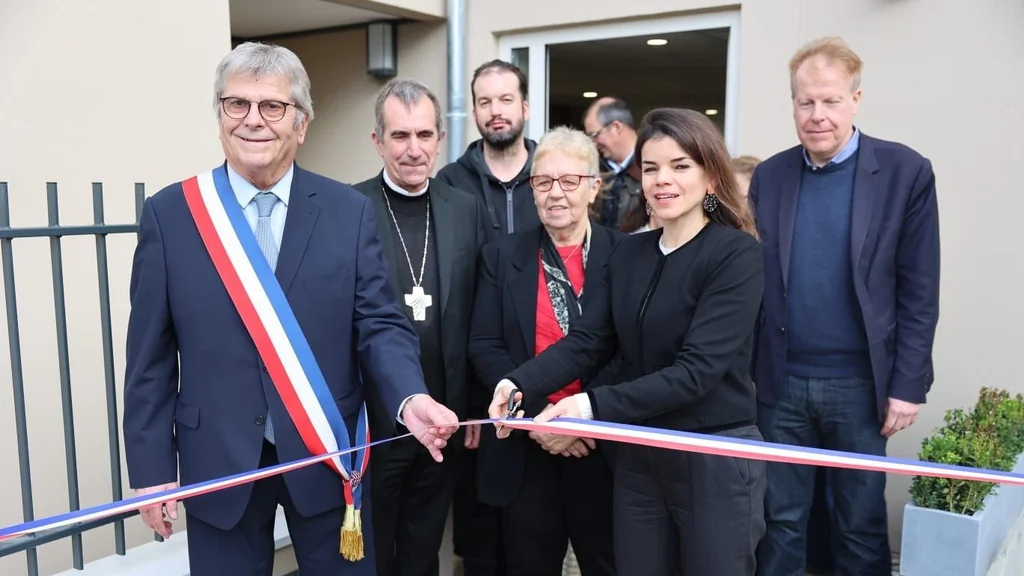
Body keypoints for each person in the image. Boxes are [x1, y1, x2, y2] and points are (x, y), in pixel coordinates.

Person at [122, 42, 458, 576]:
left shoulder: (349, 212)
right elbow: (149, 357)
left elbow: (379, 323)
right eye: (237, 105)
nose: (253, 120)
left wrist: (409, 396)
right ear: (220, 118)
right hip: (220, 462)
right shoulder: (172, 215)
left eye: (272, 107)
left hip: (327, 453)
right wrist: (152, 469)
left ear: (301, 124)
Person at [487, 108, 767, 575]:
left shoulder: (735, 255)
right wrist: (516, 384)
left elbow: (695, 374)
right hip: (639, 458)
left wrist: (586, 407)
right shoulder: (630, 253)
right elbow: (588, 342)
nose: (663, 180)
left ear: (711, 176)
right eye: (652, 167)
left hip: (712, 460)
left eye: (680, 166)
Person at [749, 36, 940, 576]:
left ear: (855, 100)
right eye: (805, 102)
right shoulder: (771, 176)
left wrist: (907, 384)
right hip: (781, 385)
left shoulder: (904, 172)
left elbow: (920, 289)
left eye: (830, 101)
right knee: (781, 521)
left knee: (858, 523)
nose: (817, 116)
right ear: (793, 104)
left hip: (861, 387)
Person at [468, 126, 621, 576]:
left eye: (569, 181)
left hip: (601, 443)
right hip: (526, 445)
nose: (556, 194)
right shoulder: (501, 255)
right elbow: (484, 346)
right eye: (543, 181)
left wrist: (580, 418)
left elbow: (630, 352)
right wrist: (541, 417)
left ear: (594, 187)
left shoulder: (628, 255)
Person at [351, 78, 488, 576]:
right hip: (375, 422)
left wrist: (473, 405)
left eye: (425, 135)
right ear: (377, 141)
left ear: (440, 139)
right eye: (401, 136)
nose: (414, 150)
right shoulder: (350, 209)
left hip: (445, 420)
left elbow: (479, 313)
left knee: (423, 550)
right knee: (373, 555)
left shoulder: (467, 209)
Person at [436, 58, 537, 576]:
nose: (495, 112)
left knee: (538, 531)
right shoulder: (449, 184)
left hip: (551, 378)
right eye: (484, 102)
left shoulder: (554, 175)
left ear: (524, 105)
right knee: (480, 531)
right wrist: (469, 400)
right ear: (473, 111)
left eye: (505, 100)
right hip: (477, 382)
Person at [583, 97, 642, 230]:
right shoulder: (594, 169)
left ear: (616, 127)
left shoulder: (651, 167)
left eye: (595, 134)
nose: (593, 142)